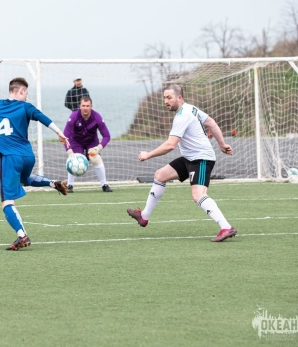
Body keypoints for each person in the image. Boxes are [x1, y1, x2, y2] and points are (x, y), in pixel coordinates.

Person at [126, 84, 236, 242]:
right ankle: (144, 216)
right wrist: (222, 144)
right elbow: (211, 122)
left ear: (179, 97)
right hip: (189, 158)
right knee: (160, 175)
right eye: (164, 98)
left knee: (198, 195)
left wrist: (147, 155)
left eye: (169, 98)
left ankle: (226, 227)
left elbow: (170, 145)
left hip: (201, 159)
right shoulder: (191, 109)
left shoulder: (182, 116)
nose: (166, 101)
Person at [0, 77, 70, 251]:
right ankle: (53, 183)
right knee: (24, 179)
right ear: (20, 91)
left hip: (9, 157)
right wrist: (59, 132)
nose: (27, 96)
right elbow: (42, 117)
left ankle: (22, 236)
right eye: (26, 93)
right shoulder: (25, 107)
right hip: (28, 156)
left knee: (7, 201)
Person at [63, 96, 113, 192]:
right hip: (76, 141)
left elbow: (107, 136)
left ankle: (104, 185)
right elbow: (65, 135)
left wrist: (98, 148)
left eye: (87, 106)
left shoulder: (97, 117)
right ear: (79, 106)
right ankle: (70, 186)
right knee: (75, 159)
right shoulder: (73, 116)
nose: (85, 108)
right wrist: (69, 150)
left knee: (95, 158)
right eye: (83, 106)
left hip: (92, 141)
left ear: (91, 106)